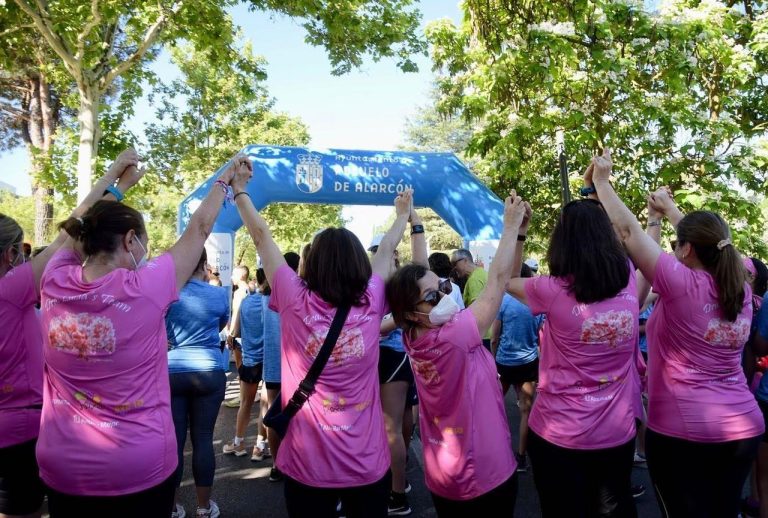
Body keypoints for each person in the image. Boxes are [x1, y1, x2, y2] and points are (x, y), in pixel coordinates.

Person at [38, 153, 251, 517]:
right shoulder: (146, 287)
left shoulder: (54, 278)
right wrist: (226, 179)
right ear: (130, 239)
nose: (146, 251)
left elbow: (72, 232)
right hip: (137, 466)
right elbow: (199, 229)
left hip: (62, 465)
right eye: (144, 243)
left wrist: (116, 183)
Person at [587, 148, 764, 517]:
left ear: (685, 250)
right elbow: (713, 246)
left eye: (677, 245)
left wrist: (602, 184)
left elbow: (626, 231)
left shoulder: (680, 282)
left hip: (685, 433)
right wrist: (670, 212)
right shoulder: (741, 289)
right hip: (743, 427)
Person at [233, 160, 413, 517]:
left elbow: (261, 237)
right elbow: (386, 249)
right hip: (366, 464)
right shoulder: (372, 299)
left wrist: (240, 191)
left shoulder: (292, 296)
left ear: (311, 264)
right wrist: (402, 214)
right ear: (357, 264)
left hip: (307, 465)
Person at [0, 149, 140, 518]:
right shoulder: (12, 290)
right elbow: (74, 232)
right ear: (10, 253)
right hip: (20, 429)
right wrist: (115, 181)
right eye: (19, 254)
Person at [505, 182, 643, 517]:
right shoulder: (626, 275)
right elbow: (630, 231)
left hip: (558, 435)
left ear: (561, 243)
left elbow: (507, 281)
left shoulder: (549, 290)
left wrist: (517, 233)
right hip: (616, 433)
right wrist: (598, 188)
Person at [386, 192, 527, 516]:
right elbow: (498, 280)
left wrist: (414, 223)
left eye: (445, 287)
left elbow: (418, 280)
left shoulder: (411, 335)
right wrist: (510, 227)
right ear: (411, 312)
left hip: (443, 477)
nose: (445, 297)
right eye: (434, 296)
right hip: (485, 475)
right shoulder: (457, 334)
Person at [166, 248, 230, 518]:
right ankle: (204, 508)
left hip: (171, 371)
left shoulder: (167, 293)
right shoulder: (219, 294)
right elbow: (220, 325)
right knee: (203, 439)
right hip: (208, 370)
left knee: (175, 442)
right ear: (203, 264)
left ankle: (171, 508)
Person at [377, 208, 427, 516]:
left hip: (393, 357)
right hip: (404, 357)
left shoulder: (392, 286)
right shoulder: (391, 283)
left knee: (390, 426)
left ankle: (397, 493)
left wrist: (371, 327)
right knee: (402, 421)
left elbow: (388, 324)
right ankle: (401, 480)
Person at [490, 262, 539, 473]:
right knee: (526, 411)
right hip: (528, 361)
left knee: (493, 407)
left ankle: (495, 452)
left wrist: (493, 361)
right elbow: (541, 335)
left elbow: (494, 336)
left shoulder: (505, 301)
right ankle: (521, 456)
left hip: (504, 361)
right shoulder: (537, 304)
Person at [261, 252, 301, 483]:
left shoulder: (266, 295)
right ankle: (289, 460)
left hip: (273, 362)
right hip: (294, 368)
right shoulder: (300, 295)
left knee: (271, 412)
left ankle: (276, 462)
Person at [223, 267, 267, 461]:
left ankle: (239, 443)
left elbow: (237, 332)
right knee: (266, 404)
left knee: (245, 404)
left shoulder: (247, 302)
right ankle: (259, 447)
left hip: (249, 359)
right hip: (270, 361)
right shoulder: (276, 303)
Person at [450, 248, 491, 348]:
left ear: (465, 260)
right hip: (490, 332)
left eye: (454, 263)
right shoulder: (482, 273)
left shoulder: (474, 280)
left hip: (482, 336)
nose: (453, 268)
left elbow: (476, 313)